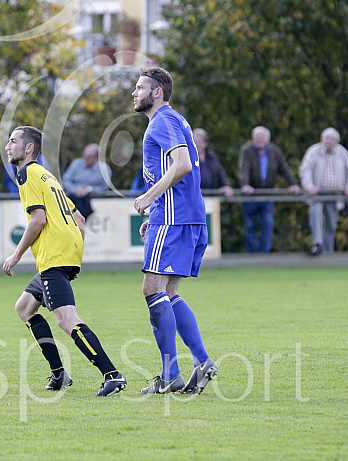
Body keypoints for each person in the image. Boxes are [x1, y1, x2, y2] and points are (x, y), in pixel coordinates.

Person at [2, 125, 127, 397]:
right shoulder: (47, 175)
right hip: (65, 253)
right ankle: (59, 375)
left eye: (13, 141)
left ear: (28, 149)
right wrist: (75, 257)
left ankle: (113, 375)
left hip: (53, 256)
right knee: (24, 307)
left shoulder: (25, 173)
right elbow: (80, 220)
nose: (8, 146)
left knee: (66, 320)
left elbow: (39, 219)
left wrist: (16, 254)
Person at [132, 66, 217, 395]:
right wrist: (156, 210)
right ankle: (200, 362)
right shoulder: (177, 120)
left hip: (175, 218)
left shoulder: (163, 120)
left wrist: (149, 198)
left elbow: (181, 165)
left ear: (156, 93)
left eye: (140, 88)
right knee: (167, 293)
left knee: (152, 290)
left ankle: (171, 375)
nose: (134, 93)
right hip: (184, 216)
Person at [238, 126, 301, 252]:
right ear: (252, 139)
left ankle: (264, 254)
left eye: (262, 137)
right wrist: (245, 184)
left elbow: (284, 169)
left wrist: (293, 184)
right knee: (250, 225)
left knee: (268, 224)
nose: (259, 140)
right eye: (257, 137)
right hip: (251, 195)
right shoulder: (247, 151)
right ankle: (253, 255)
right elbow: (243, 169)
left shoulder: (275, 151)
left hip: (268, 194)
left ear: (268, 139)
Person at [299, 127, 348, 255]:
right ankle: (318, 244)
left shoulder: (342, 153)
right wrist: (309, 186)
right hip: (318, 192)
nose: (329, 141)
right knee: (316, 214)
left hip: (335, 194)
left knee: (331, 223)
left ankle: (328, 252)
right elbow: (305, 170)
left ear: (337, 142)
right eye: (326, 138)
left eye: (332, 139)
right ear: (322, 139)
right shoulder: (313, 151)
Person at [61, 143, 112, 219]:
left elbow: (104, 188)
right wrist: (75, 189)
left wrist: (89, 189)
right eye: (84, 156)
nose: (85, 159)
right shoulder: (76, 164)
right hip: (74, 199)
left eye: (89, 157)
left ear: (96, 158)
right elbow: (65, 180)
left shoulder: (104, 169)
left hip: (93, 203)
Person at [193, 128, 234, 198]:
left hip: (212, 196)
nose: (198, 145)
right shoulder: (190, 157)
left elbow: (220, 172)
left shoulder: (211, 155)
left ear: (205, 143)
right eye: (196, 142)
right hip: (196, 196)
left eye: (200, 142)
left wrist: (227, 186)